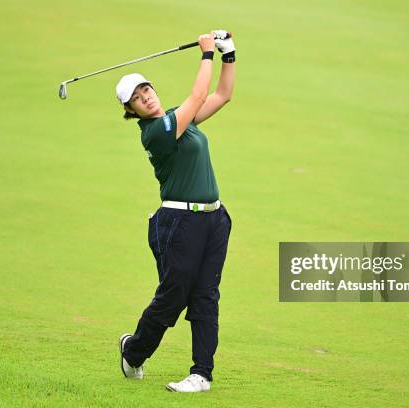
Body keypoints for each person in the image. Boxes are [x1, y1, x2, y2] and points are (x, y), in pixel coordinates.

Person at [116, 30, 235, 393]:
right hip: (179, 222)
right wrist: (205, 55)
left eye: (146, 90)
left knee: (205, 296)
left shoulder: (179, 119)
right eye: (136, 99)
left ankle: (201, 374)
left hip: (214, 219)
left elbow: (221, 95)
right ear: (130, 111)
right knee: (173, 296)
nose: (145, 98)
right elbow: (198, 93)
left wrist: (227, 53)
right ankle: (133, 352)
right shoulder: (155, 131)